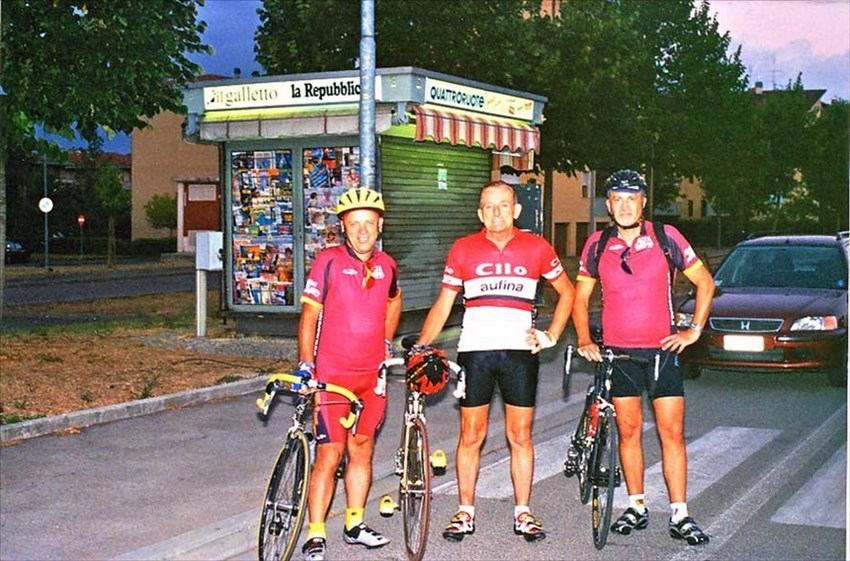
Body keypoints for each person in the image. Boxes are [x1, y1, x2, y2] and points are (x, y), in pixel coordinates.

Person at [414, 180, 575, 543]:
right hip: (476, 351)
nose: (496, 213)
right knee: (472, 434)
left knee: (519, 435)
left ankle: (523, 512)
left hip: (520, 353)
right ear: (479, 212)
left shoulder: (536, 246)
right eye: (488, 206)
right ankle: (465, 511)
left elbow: (568, 292)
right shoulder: (463, 248)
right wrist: (421, 347)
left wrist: (551, 335)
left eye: (503, 205)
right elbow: (443, 304)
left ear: (516, 210)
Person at [572, 169, 715, 546]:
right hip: (619, 354)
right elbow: (580, 297)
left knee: (672, 434)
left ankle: (680, 513)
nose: (623, 205)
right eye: (616, 199)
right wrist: (585, 338)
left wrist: (694, 330)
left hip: (661, 353)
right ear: (608, 203)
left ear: (643, 202)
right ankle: (636, 505)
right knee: (628, 432)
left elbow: (705, 282)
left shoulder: (666, 237)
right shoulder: (597, 245)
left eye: (631, 198)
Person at [298, 187, 402, 561]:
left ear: (380, 226)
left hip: (371, 378)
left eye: (369, 224)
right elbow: (309, 315)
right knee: (329, 454)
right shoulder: (327, 261)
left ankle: (354, 523)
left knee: (362, 450)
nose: (362, 231)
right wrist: (307, 363)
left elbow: (394, 299)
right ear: (343, 227)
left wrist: (386, 341)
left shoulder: (387, 264)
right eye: (354, 224)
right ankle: (315, 533)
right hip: (334, 376)